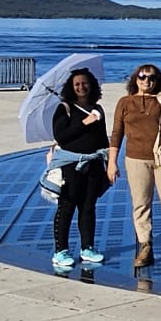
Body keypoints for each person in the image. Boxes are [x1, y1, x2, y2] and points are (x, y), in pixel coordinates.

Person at [107, 63, 161, 269]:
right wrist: (112, 162)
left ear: (158, 79)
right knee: (141, 203)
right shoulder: (125, 102)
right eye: (142, 77)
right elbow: (117, 133)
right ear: (135, 79)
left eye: (151, 78)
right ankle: (145, 246)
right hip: (136, 159)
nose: (147, 81)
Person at [50, 67, 112, 269]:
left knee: (88, 208)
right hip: (71, 165)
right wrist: (85, 122)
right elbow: (61, 136)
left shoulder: (97, 108)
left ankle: (88, 248)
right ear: (71, 87)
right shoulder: (64, 108)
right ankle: (60, 251)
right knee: (67, 207)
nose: (81, 87)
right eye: (77, 84)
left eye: (85, 83)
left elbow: (102, 138)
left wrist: (109, 163)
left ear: (91, 85)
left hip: (94, 164)